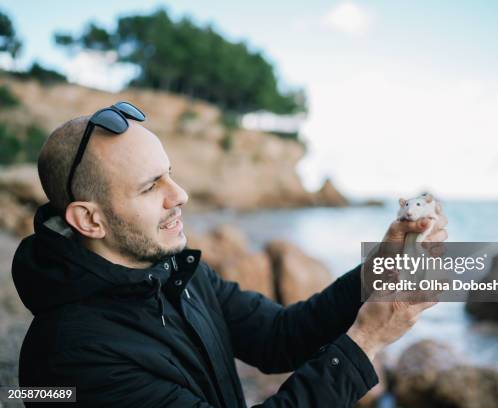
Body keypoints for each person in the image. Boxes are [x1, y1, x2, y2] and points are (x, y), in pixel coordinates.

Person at [12, 102, 448, 407]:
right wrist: (367, 340)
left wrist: (382, 265)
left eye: (170, 175)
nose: (179, 195)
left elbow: (281, 337)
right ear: (89, 221)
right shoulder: (70, 357)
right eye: (150, 187)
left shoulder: (173, 273)